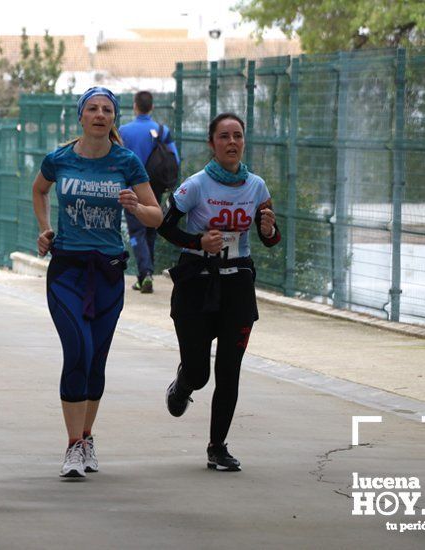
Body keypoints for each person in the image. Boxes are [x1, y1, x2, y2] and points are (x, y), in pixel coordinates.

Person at [32, 87, 162, 478]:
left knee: (97, 358)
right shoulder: (59, 159)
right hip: (68, 269)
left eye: (107, 109)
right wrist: (45, 228)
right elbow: (39, 189)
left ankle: (87, 437)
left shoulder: (127, 161)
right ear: (81, 116)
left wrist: (135, 207)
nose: (100, 115)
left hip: (108, 271)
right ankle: (73, 446)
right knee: (78, 349)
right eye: (93, 109)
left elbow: (157, 214)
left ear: (114, 118)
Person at [158, 112, 280, 472]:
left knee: (229, 369)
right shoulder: (195, 185)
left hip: (237, 283)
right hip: (197, 281)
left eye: (237, 136)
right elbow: (165, 227)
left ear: (244, 142)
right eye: (224, 136)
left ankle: (217, 447)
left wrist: (269, 228)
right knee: (200, 373)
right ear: (212, 143)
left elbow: (270, 240)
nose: (232, 142)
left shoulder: (257, 186)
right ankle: (182, 385)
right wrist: (198, 241)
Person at [119, 90, 180, 294]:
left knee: (136, 232)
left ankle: (145, 274)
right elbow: (175, 160)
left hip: (131, 190)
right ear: (151, 107)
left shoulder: (124, 131)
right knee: (151, 231)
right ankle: (147, 274)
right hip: (155, 188)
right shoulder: (162, 130)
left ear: (135, 106)